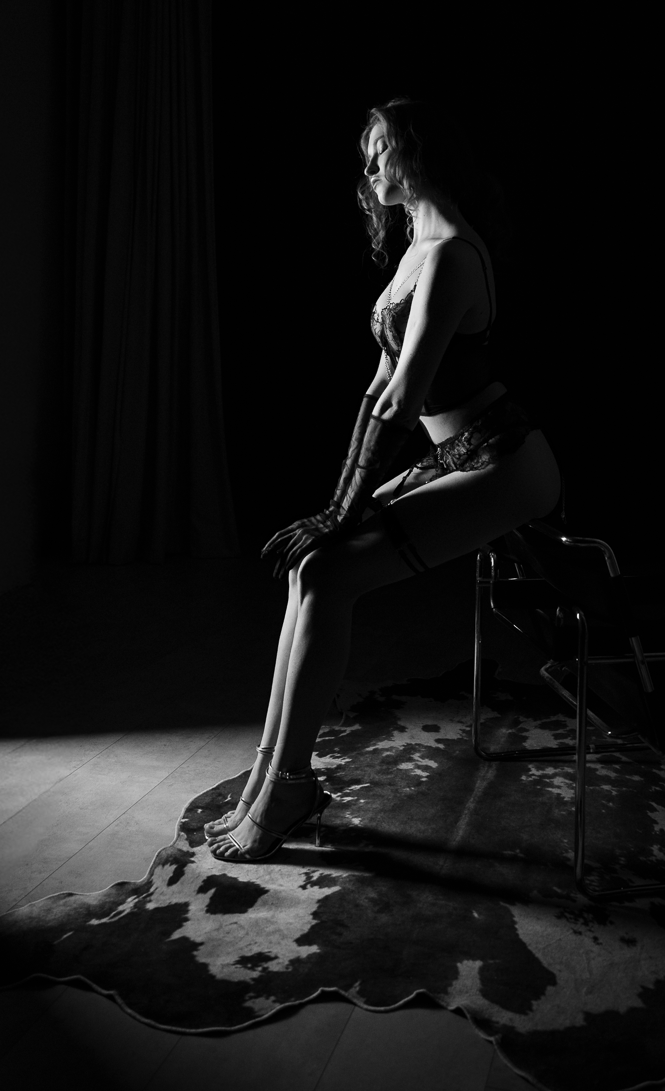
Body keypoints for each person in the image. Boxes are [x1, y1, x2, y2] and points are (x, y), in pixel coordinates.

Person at [205, 97, 562, 863]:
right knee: (312, 566)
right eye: (364, 154)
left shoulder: (452, 256)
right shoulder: (415, 249)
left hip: (504, 465)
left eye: (378, 150)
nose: (367, 168)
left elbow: (404, 397)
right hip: (456, 454)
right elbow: (376, 391)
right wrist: (336, 507)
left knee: (329, 572)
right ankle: (269, 778)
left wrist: (340, 510)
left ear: (416, 153)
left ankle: (291, 786)